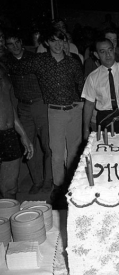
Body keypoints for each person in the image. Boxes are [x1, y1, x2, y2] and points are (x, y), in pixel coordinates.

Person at [5, 27, 83, 204]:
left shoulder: (73, 62)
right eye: (53, 40)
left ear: (65, 42)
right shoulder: (39, 61)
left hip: (74, 110)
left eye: (60, 40)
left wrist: (80, 106)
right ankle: (59, 187)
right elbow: (15, 67)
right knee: (56, 152)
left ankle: (73, 186)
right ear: (47, 43)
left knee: (73, 152)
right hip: (54, 111)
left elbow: (80, 85)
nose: (57, 44)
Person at [4, 30, 53, 194]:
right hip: (23, 108)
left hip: (40, 104)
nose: (16, 46)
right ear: (6, 46)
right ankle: (37, 181)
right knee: (28, 146)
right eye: (11, 44)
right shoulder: (5, 63)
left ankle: (48, 181)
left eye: (17, 42)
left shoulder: (35, 58)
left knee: (47, 145)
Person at [82, 37, 119, 139]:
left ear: (114, 50)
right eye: (102, 52)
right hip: (105, 119)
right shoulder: (93, 77)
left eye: (110, 50)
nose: (108, 55)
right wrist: (86, 129)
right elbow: (89, 104)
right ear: (97, 55)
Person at [0, 63, 33, 199]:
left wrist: (23, 134)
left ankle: (10, 218)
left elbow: (7, 103)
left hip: (9, 134)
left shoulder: (2, 67)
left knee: (10, 187)